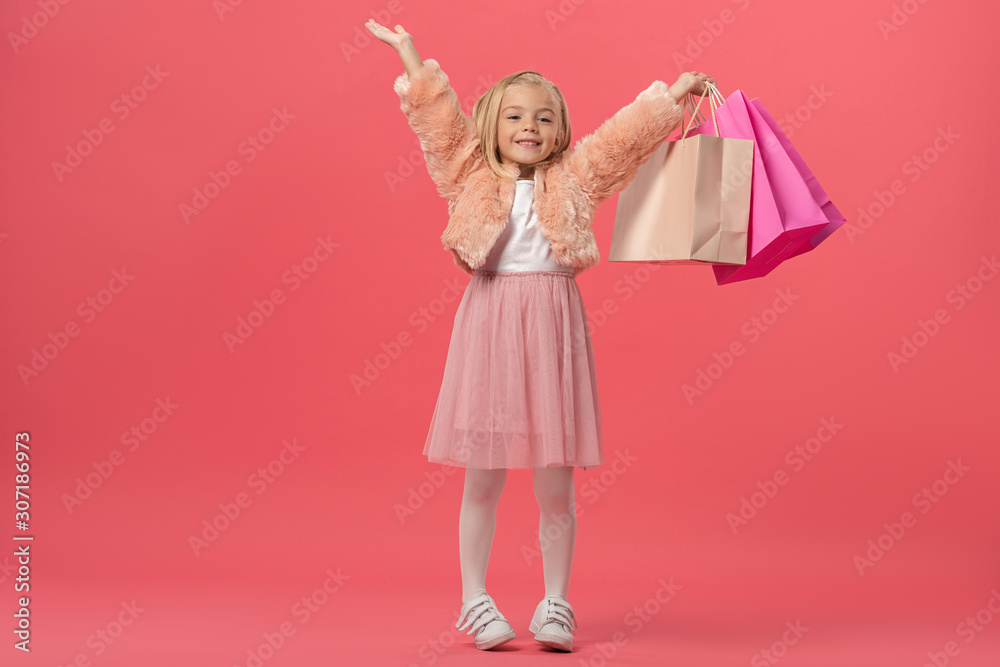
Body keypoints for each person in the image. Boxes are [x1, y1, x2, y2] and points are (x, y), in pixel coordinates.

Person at [366, 18, 716, 653]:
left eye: (545, 118)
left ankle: (556, 602)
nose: (531, 127)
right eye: (516, 117)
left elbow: (620, 143)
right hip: (491, 324)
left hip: (554, 325)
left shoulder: (575, 180)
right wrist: (410, 54)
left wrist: (674, 94)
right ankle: (475, 599)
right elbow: (439, 124)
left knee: (556, 481)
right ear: (491, 125)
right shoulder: (468, 176)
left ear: (560, 131)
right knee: (486, 476)